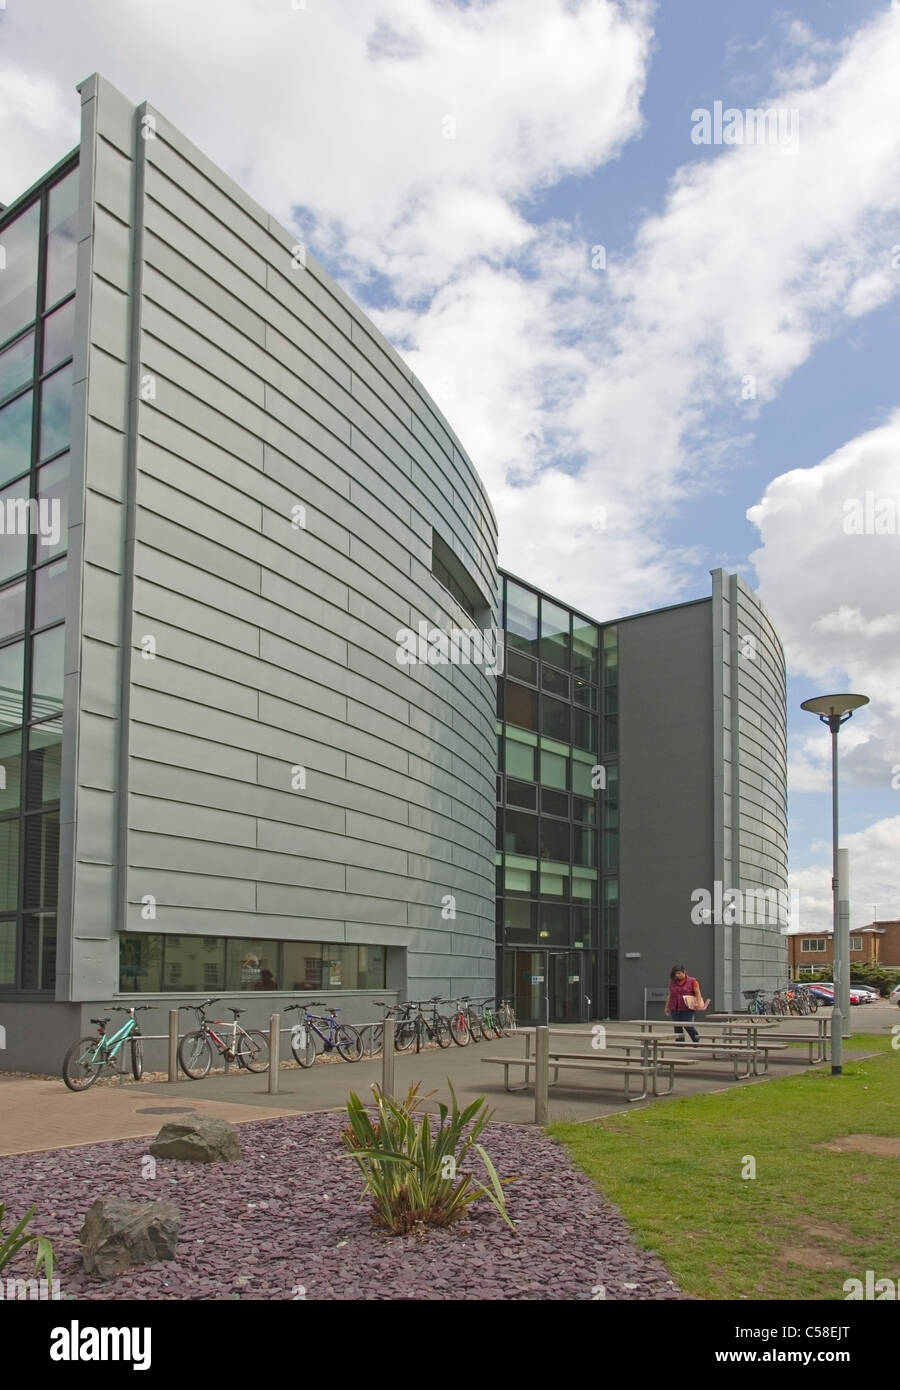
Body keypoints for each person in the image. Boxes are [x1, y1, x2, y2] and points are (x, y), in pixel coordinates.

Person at [664, 964, 703, 1041]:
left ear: (684, 972)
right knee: (677, 1026)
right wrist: (667, 1007)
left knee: (688, 1025)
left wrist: (698, 1003)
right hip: (674, 1007)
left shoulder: (693, 981)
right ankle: (680, 1044)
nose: (677, 975)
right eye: (676, 973)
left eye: (679, 973)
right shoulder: (673, 982)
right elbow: (670, 995)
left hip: (687, 1007)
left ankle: (696, 1039)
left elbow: (698, 993)